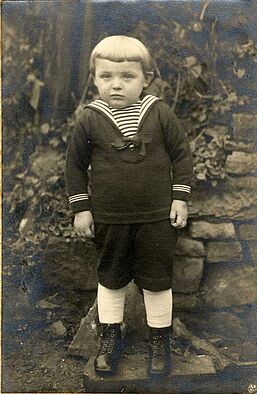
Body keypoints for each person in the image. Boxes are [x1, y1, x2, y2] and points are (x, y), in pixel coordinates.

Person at [65, 35, 193, 378]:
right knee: (111, 279)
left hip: (155, 217)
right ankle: (109, 344)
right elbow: (74, 166)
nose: (116, 85)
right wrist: (82, 208)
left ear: (145, 79)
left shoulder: (159, 113)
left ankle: (159, 345)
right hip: (110, 217)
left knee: (157, 281)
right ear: (94, 79)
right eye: (106, 77)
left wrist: (179, 197)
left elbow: (181, 155)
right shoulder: (90, 119)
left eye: (127, 77)